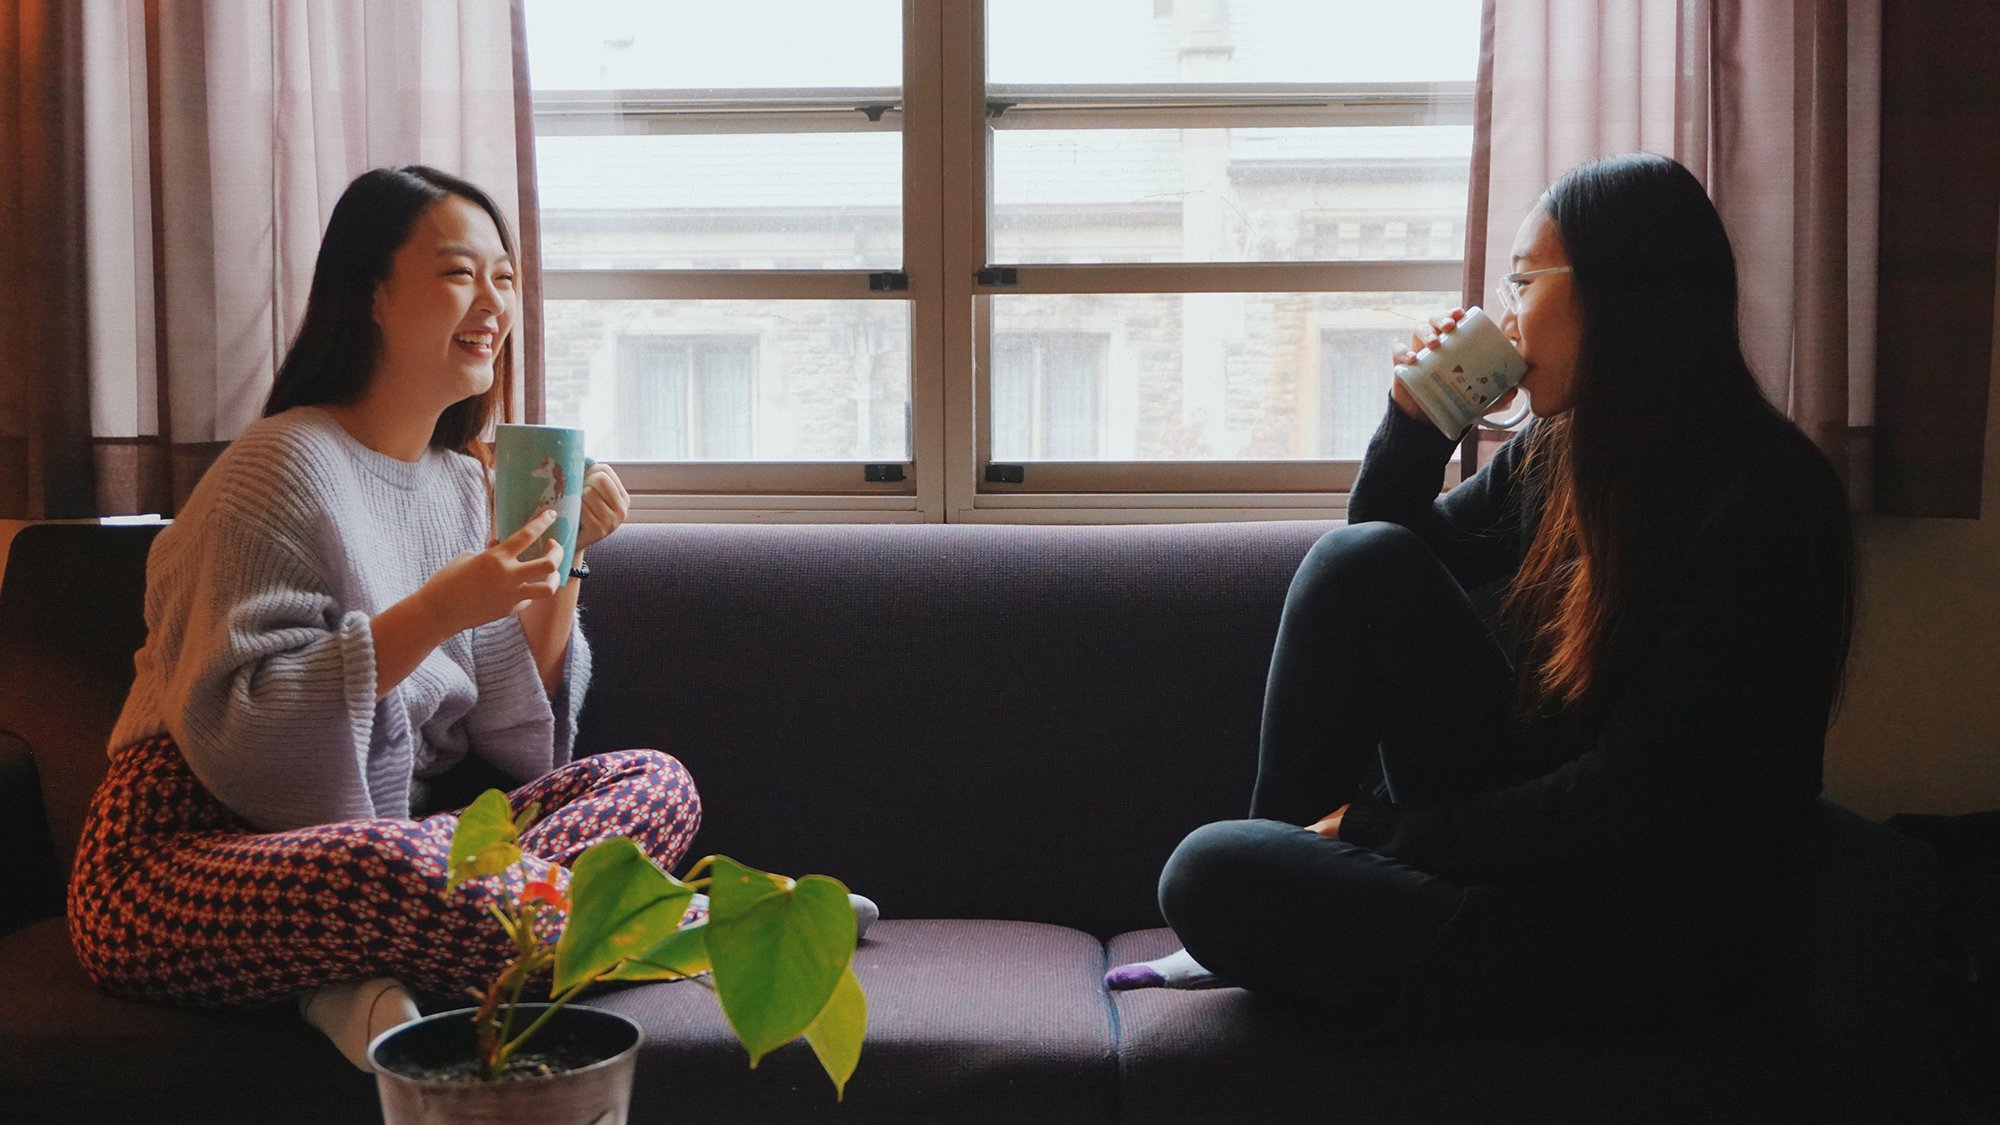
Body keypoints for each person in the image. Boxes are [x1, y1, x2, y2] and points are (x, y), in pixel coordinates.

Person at [1106, 152, 1856, 1036]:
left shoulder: (1761, 504)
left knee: (1208, 871)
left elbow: (1629, 798)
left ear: (1616, 292)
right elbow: (1386, 568)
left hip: (1631, 932)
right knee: (1357, 566)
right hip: (1532, 867)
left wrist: (1382, 832)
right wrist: (1417, 427)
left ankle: (1274, 905)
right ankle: (1277, 889)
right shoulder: (1573, 452)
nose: (1505, 312)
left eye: (1523, 280)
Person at [66, 166, 694, 1070]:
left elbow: (523, 738)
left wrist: (565, 560)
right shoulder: (277, 465)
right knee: (394, 871)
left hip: (403, 839)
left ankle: (355, 980)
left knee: (655, 781)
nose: (492, 301)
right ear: (371, 294)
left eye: (505, 277)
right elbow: (240, 736)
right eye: (457, 272)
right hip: (188, 852)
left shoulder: (458, 481)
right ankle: (692, 924)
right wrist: (442, 609)